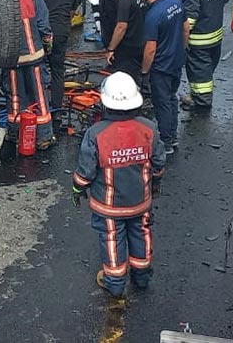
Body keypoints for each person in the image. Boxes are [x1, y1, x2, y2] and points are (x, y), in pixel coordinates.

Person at [72, 72, 165, 298]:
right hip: (140, 202)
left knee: (112, 239)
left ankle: (114, 283)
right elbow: (159, 163)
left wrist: (77, 188)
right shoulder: (148, 128)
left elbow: (86, 171)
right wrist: (155, 183)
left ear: (105, 103)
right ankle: (141, 278)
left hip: (109, 207)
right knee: (141, 233)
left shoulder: (96, 134)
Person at [9, 0, 57, 151]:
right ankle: (44, 136)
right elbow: (45, 28)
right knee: (39, 97)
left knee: (15, 97)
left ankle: (15, 134)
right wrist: (48, 47)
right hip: (34, 55)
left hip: (10, 58)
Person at [137, 0, 185, 154]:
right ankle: (172, 136)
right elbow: (185, 28)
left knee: (163, 102)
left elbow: (150, 49)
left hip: (161, 66)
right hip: (176, 61)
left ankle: (166, 141)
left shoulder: (152, 16)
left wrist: (144, 72)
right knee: (172, 98)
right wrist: (182, 50)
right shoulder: (176, 3)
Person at [180, 0, 229, 112]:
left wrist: (182, 44)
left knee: (199, 74)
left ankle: (201, 102)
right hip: (216, 36)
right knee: (207, 69)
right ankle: (200, 96)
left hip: (198, 41)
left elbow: (189, 21)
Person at [35, 0, 82, 120]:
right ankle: (56, 107)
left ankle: (37, 104)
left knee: (37, 67)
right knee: (57, 70)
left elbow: (34, 5)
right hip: (61, 32)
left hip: (43, 31)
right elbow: (70, 13)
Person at [106, 0, 146, 82]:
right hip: (141, 43)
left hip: (127, 48)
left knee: (124, 80)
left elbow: (121, 27)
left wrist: (111, 48)